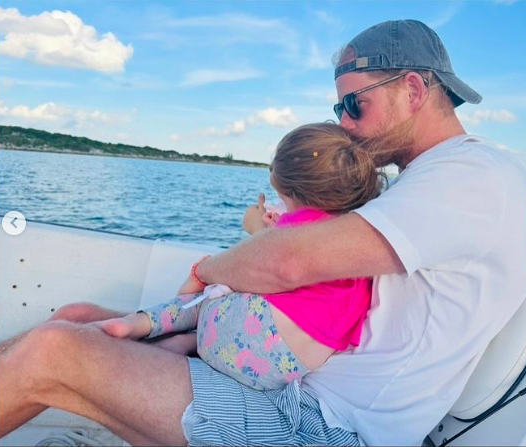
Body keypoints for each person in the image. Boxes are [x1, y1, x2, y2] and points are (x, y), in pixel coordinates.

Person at [0, 19, 526, 446]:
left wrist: (206, 271)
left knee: (55, 351)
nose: (343, 122)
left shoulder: (472, 177)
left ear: (414, 89)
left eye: (354, 104)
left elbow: (288, 263)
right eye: (337, 107)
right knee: (77, 319)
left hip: (323, 427)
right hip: (288, 383)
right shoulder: (425, 182)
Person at [91, 122, 383, 391]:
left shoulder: (299, 233)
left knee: (217, 287)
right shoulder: (354, 238)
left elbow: (265, 258)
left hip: (239, 334)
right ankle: (187, 342)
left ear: (282, 181)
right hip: (284, 368)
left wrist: (257, 226)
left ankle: (139, 324)